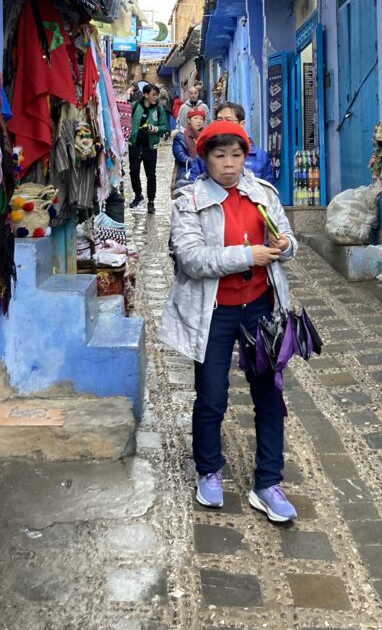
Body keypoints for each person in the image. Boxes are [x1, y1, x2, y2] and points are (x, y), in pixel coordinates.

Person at [159, 120, 299, 524]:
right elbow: (191, 258)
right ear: (204, 158)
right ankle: (209, 470)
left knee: (269, 398)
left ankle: (268, 482)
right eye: (220, 156)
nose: (229, 164)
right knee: (212, 397)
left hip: (261, 309)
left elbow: (289, 243)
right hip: (213, 313)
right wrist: (247, 256)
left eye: (236, 155)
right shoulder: (190, 202)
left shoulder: (263, 195)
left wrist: (284, 245)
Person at [187, 103, 275, 185]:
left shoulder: (260, 156)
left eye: (228, 120)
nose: (223, 125)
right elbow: (193, 185)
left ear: (242, 124)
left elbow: (267, 192)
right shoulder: (206, 153)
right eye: (219, 120)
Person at [128, 84, 169, 213]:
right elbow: (125, 121)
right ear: (145, 95)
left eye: (157, 95)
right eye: (153, 94)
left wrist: (155, 129)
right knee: (133, 171)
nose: (156, 97)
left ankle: (151, 201)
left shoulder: (158, 110)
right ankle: (138, 195)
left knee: (151, 174)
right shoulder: (134, 106)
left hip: (150, 147)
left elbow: (165, 127)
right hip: (135, 145)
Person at [171, 107, 205, 197]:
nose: (199, 121)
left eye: (201, 119)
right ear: (189, 120)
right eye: (195, 118)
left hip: (204, 175)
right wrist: (199, 163)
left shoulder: (206, 136)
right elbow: (180, 156)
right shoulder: (181, 136)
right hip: (186, 174)